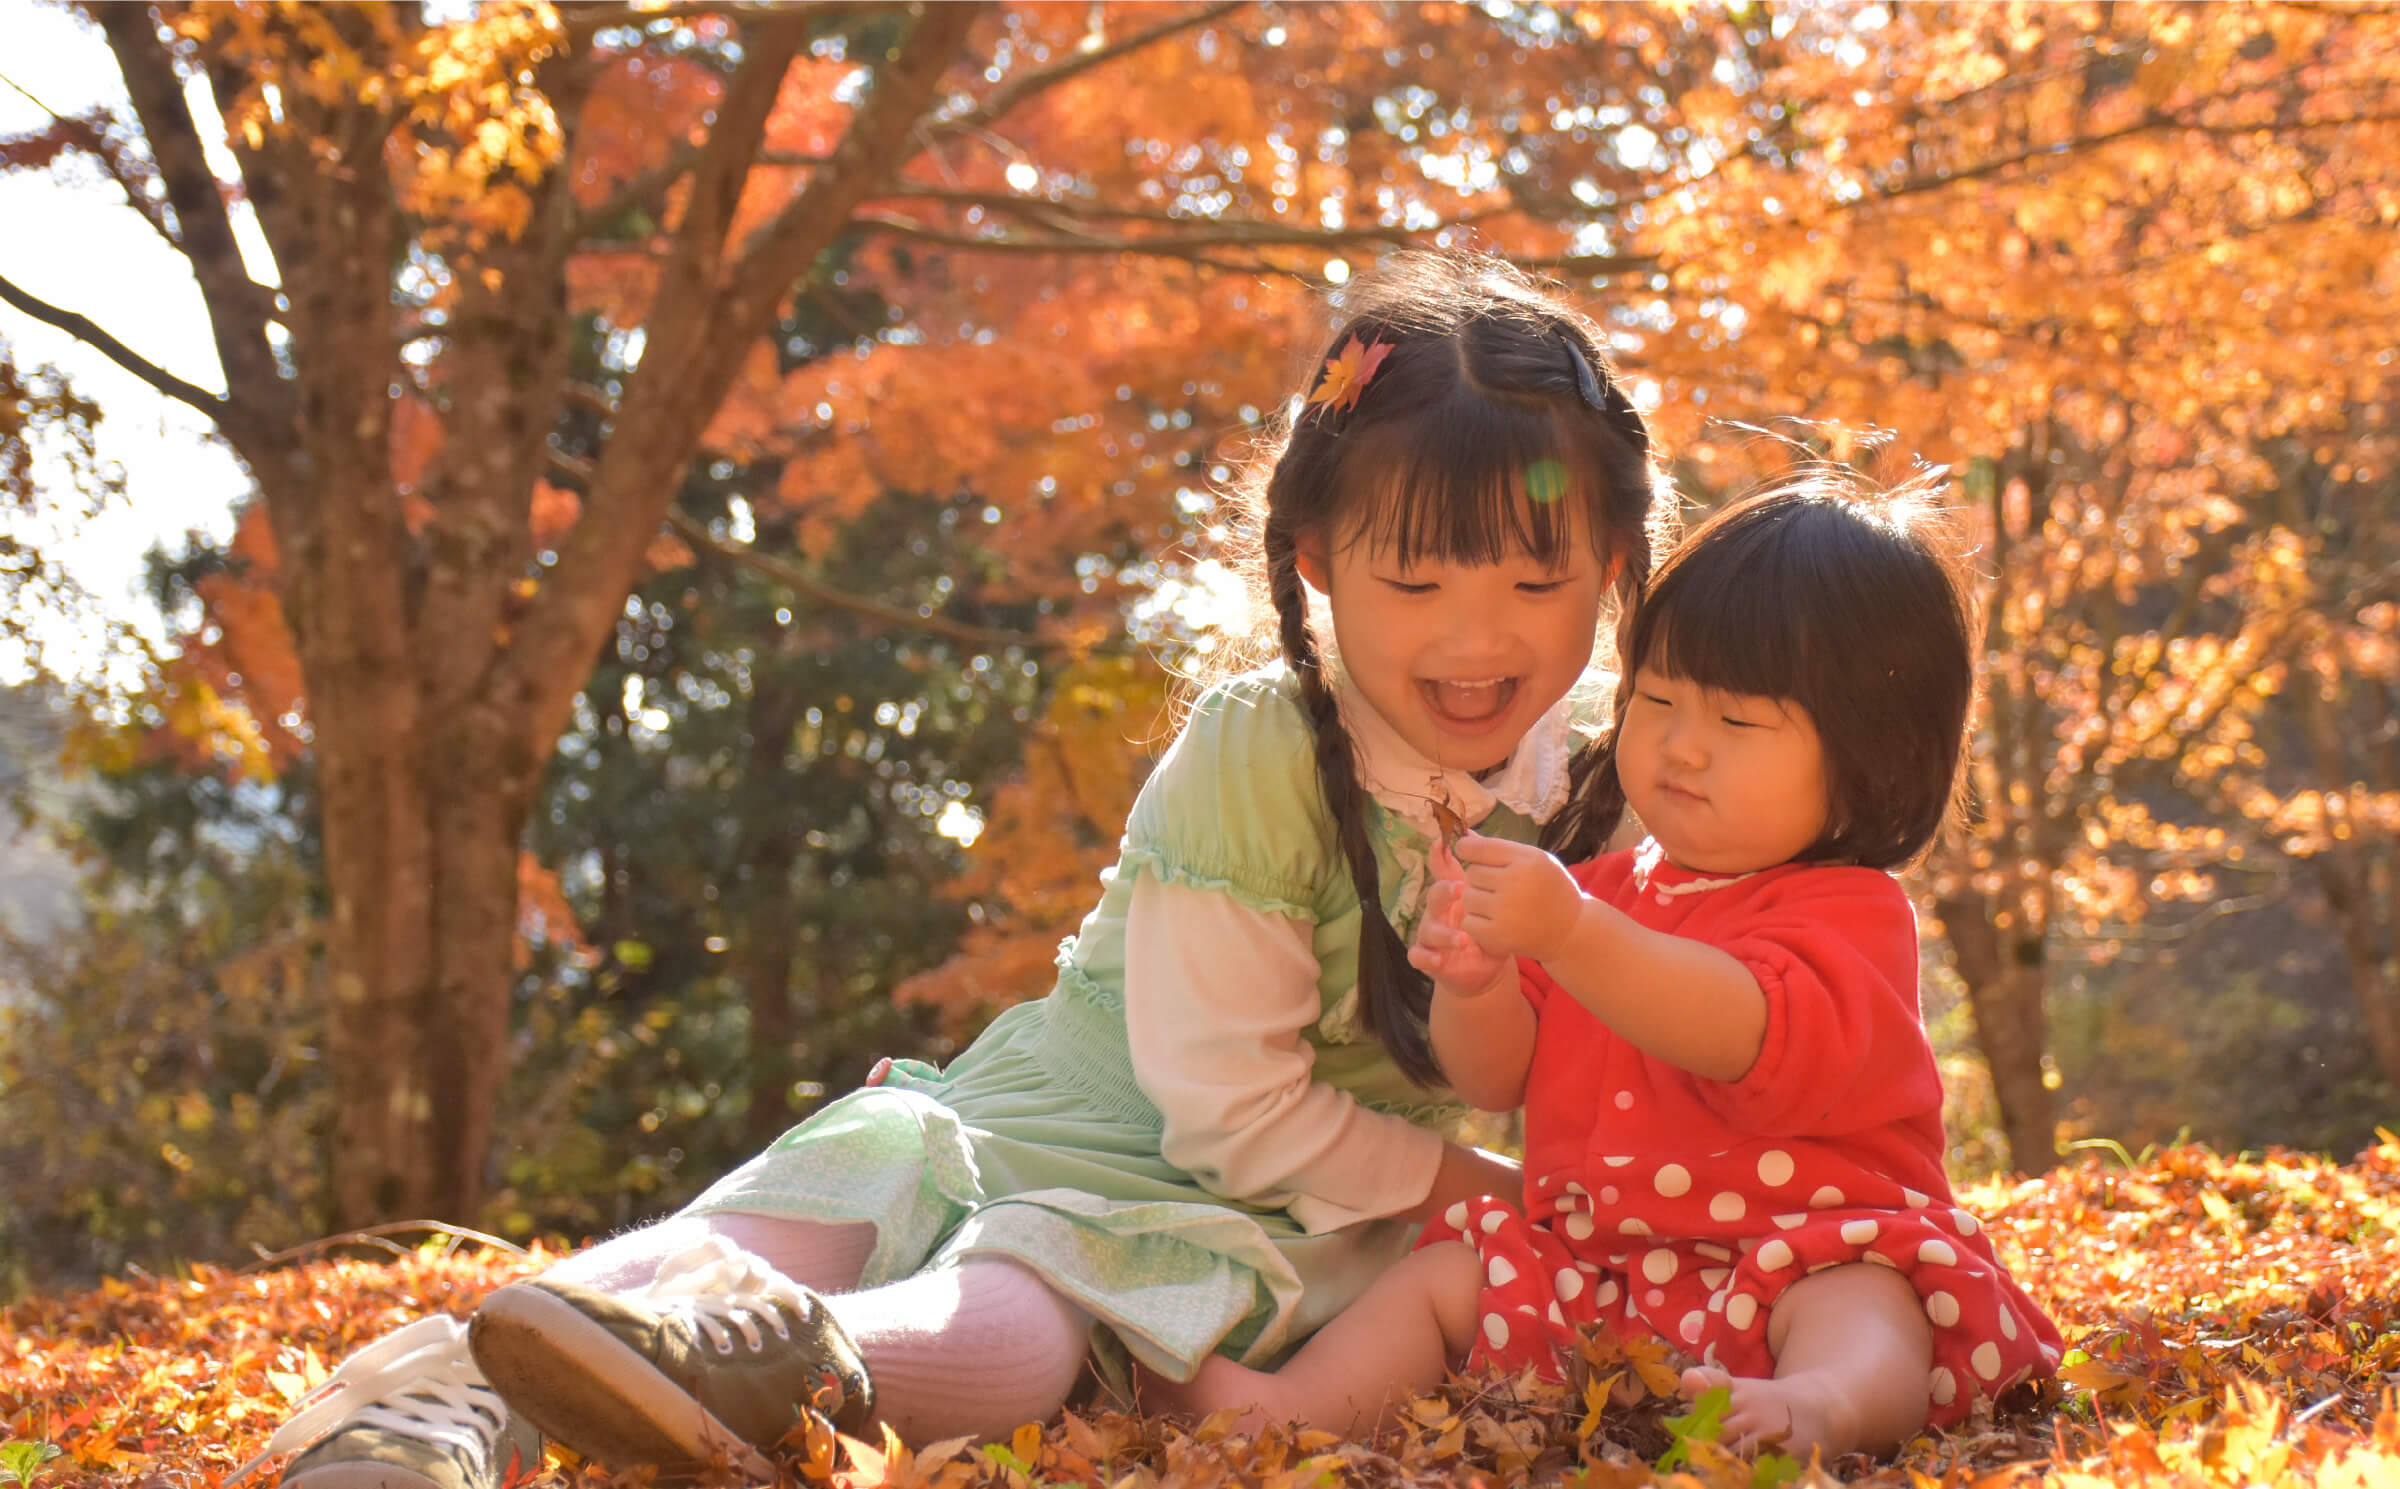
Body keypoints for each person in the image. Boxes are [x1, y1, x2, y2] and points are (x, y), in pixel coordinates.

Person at [237, 252, 1670, 1489]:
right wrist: (1472, 1187)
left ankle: (798, 1370)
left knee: (1039, 1301)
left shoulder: (1608, 791)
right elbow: (1231, 1105)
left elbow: (1598, 1072)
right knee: (818, 1204)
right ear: (1314, 563)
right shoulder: (1265, 751)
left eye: (1535, 582)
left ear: (1612, 562)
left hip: (1262, 1217)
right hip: (1091, 1109)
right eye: (1414, 583)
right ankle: (441, 1399)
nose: (1475, 641)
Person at [1146, 473, 2064, 1461]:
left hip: (1791, 1255)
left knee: (1866, 1297)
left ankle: (1817, 1409)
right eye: (1657, 699)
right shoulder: (1612, 890)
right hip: (1605, 1287)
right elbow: (1498, 1077)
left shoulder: (1846, 909)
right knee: (1451, 1274)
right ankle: (1292, 1407)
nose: (1681, 746)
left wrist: (1574, 934)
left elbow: (1742, 1031)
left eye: (1738, 722)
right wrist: (1479, 983)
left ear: (1871, 759)